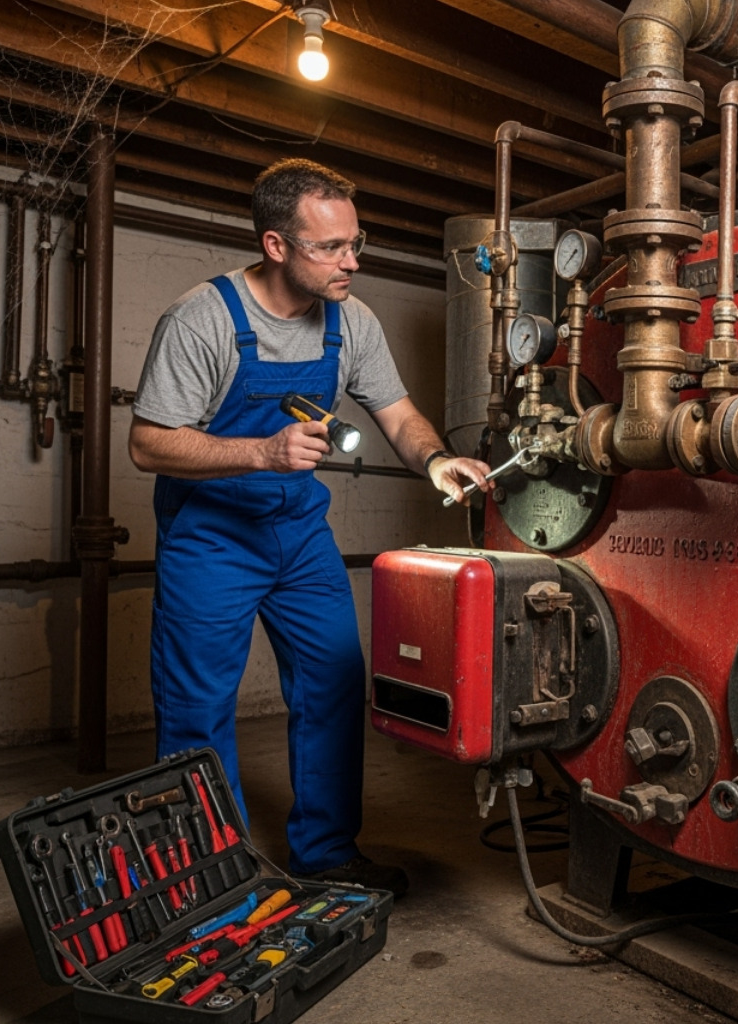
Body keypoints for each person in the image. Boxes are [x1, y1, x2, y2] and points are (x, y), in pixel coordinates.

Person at [129, 159, 489, 894]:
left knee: (334, 681)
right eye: (331, 248)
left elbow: (398, 414)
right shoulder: (202, 320)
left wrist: (436, 460)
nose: (351, 261)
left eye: (356, 243)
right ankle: (209, 876)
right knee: (198, 706)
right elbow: (148, 444)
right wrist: (261, 452)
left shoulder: (351, 322)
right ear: (276, 245)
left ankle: (326, 852)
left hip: (297, 535)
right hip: (211, 537)